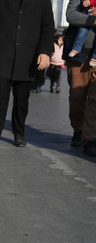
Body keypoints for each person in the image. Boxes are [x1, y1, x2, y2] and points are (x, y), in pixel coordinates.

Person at [0, 0, 54, 153]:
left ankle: (19, 132)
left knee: (22, 100)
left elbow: (47, 26)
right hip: (3, 55)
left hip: (28, 57)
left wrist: (45, 51)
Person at [63, 0, 96, 156]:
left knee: (95, 99)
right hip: (79, 54)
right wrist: (92, 19)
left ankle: (90, 138)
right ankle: (78, 129)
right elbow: (71, 15)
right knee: (77, 96)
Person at [68, 0, 96, 66]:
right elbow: (70, 15)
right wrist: (91, 20)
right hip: (80, 57)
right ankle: (76, 48)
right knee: (83, 29)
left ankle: (95, 56)